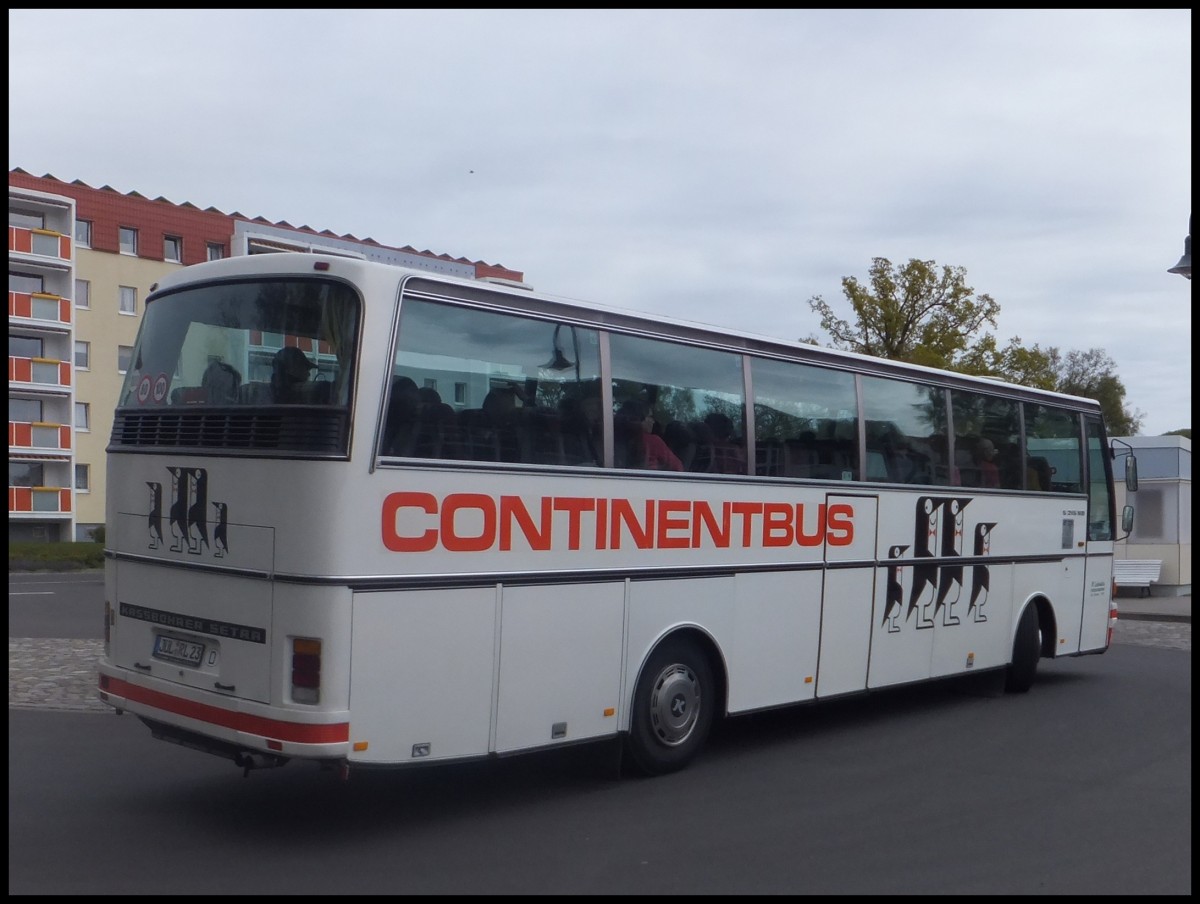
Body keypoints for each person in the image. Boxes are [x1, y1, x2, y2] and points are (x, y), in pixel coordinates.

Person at [617, 399, 682, 471]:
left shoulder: (614, 438)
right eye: (650, 417)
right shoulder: (652, 441)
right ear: (640, 419)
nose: (653, 421)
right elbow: (678, 467)